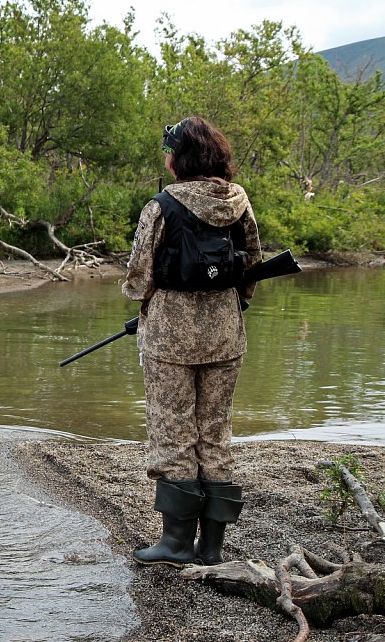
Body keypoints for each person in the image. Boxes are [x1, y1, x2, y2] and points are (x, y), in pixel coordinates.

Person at [121, 116, 262, 568]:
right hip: (225, 336)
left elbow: (138, 275)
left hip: (169, 340)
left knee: (173, 432)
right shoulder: (239, 202)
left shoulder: (161, 205)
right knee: (215, 433)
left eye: (168, 151)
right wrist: (234, 299)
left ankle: (176, 543)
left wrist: (144, 305)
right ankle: (212, 548)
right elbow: (253, 264)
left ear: (180, 158)